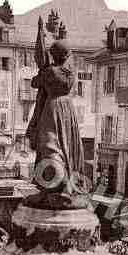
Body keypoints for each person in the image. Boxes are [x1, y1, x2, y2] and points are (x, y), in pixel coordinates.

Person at [25, 39, 84, 200]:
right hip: (67, 109)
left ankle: (56, 183)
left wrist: (43, 69)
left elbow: (34, 83)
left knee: (49, 145)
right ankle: (63, 182)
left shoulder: (50, 71)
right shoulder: (70, 71)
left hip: (52, 108)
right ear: (66, 56)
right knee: (67, 146)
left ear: (54, 55)